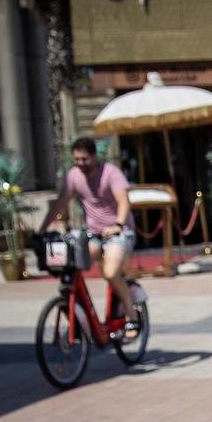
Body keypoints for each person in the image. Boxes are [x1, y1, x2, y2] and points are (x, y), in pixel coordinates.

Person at [39, 137, 138, 325]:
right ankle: (81, 316)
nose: (80, 164)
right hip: (93, 234)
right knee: (72, 265)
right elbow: (61, 203)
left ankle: (131, 314)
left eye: (84, 159)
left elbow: (124, 201)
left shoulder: (110, 173)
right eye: (76, 159)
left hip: (119, 232)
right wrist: (42, 230)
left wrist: (118, 225)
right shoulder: (74, 175)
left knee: (110, 273)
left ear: (94, 156)